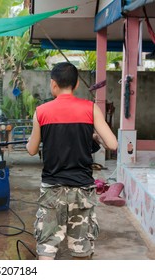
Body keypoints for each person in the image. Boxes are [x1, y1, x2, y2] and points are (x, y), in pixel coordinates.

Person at [26, 62, 118, 260]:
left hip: (52, 188)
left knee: (47, 247)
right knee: (80, 248)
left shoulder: (41, 111)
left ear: (53, 84)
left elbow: (32, 150)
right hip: (82, 189)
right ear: (76, 85)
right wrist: (94, 137)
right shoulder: (90, 108)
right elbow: (113, 144)